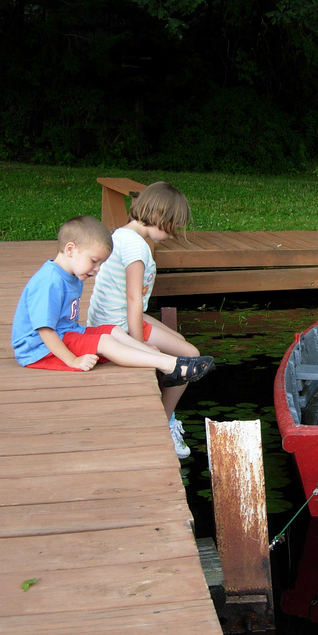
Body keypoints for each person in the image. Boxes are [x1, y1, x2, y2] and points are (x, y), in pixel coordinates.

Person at [12, 216, 214, 457]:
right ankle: (171, 365)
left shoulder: (71, 274)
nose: (96, 269)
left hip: (65, 334)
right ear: (70, 249)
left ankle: (147, 353)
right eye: (94, 261)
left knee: (111, 330)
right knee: (104, 341)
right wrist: (73, 360)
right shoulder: (50, 282)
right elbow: (44, 330)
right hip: (38, 348)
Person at [86, 182, 209, 459]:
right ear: (160, 218)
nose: (172, 234)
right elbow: (133, 300)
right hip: (117, 326)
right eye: (172, 227)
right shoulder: (138, 250)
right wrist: (139, 348)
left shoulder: (120, 235)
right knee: (190, 356)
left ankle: (167, 410)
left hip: (109, 318)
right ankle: (163, 422)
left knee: (178, 342)